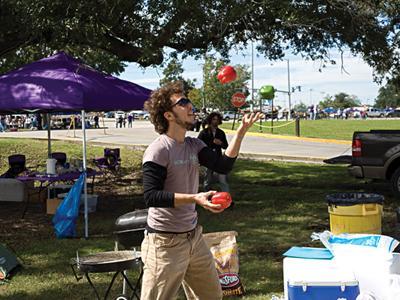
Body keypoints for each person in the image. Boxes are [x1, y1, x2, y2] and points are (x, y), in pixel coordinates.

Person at [141, 81, 262, 300]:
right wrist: (195, 198)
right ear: (168, 115)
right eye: (183, 102)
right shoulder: (158, 150)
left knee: (211, 296)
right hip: (164, 242)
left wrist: (242, 131)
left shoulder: (193, 145)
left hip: (194, 237)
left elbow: (224, 165)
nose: (190, 105)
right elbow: (151, 196)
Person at [198, 112, 230, 193]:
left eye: (217, 119)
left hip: (218, 158)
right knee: (207, 180)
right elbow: (197, 145)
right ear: (210, 120)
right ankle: (206, 196)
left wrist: (221, 143)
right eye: (214, 119)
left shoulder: (221, 133)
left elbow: (226, 146)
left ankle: (227, 196)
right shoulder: (204, 133)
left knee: (222, 179)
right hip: (208, 159)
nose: (215, 121)